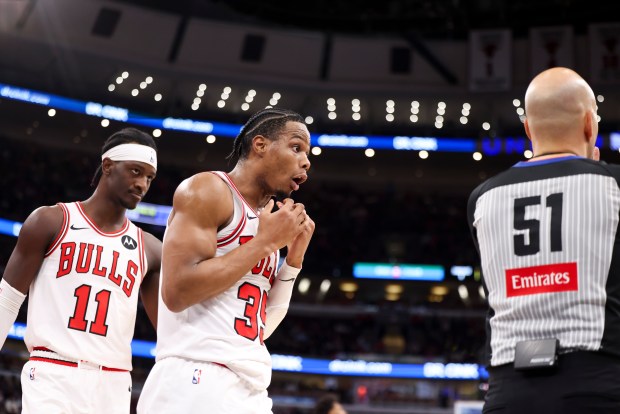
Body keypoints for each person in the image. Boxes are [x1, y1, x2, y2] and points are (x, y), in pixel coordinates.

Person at [137, 108, 315, 413]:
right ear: (259, 145)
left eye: (308, 154)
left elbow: (259, 328)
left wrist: (292, 263)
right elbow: (178, 292)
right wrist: (265, 243)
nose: (306, 161)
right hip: (195, 379)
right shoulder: (207, 190)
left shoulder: (265, 222)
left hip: (250, 385)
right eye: (296, 147)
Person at [467, 66, 620, 413]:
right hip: (597, 387)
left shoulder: (481, 198)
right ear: (588, 124)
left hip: (507, 391)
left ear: (527, 129)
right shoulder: (614, 186)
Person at [0, 127, 162, 413]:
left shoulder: (149, 248)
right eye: (135, 171)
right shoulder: (51, 221)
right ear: (108, 166)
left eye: (149, 177)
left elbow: (169, 331)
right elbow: (7, 300)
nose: (142, 184)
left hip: (114, 383)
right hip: (53, 372)